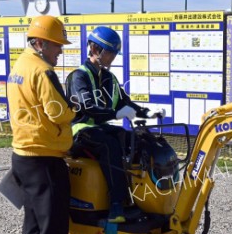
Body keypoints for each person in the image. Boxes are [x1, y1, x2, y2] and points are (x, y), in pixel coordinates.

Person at [7, 15, 92, 234]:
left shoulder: (20, 65)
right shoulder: (43, 71)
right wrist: (75, 110)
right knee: (54, 223)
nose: (60, 51)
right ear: (40, 43)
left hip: (23, 155)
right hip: (44, 156)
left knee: (33, 221)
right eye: (56, 45)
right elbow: (58, 112)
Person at [66, 26, 164, 223]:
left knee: (138, 139)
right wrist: (116, 113)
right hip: (79, 132)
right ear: (95, 49)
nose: (112, 58)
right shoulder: (78, 77)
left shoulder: (110, 78)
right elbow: (87, 107)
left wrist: (146, 112)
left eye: (114, 54)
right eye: (110, 53)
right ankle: (116, 206)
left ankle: (144, 199)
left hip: (99, 129)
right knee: (108, 144)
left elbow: (124, 102)